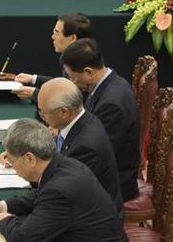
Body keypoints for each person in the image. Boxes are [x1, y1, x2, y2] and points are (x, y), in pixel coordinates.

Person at [0, 119, 127, 242]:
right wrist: (1, 206)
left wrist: (4, 220)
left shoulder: (59, 191)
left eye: (11, 160)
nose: (11, 166)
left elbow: (23, 238)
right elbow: (40, 195)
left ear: (30, 159)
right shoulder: (64, 164)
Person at [61, 38, 140, 201]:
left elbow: (95, 155)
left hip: (114, 184)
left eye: (72, 77)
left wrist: (51, 161)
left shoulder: (111, 105)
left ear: (88, 72)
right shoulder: (111, 83)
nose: (72, 82)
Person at [36, 78, 123, 211]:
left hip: (90, 217)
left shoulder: (84, 148)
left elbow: (60, 195)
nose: (42, 117)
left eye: (43, 113)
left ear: (63, 112)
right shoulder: (80, 120)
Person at [12, 13, 92, 102]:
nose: (53, 37)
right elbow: (64, 84)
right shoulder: (75, 57)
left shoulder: (81, 64)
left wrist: (36, 94)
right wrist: (34, 79)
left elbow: (71, 100)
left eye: (56, 32)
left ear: (72, 38)